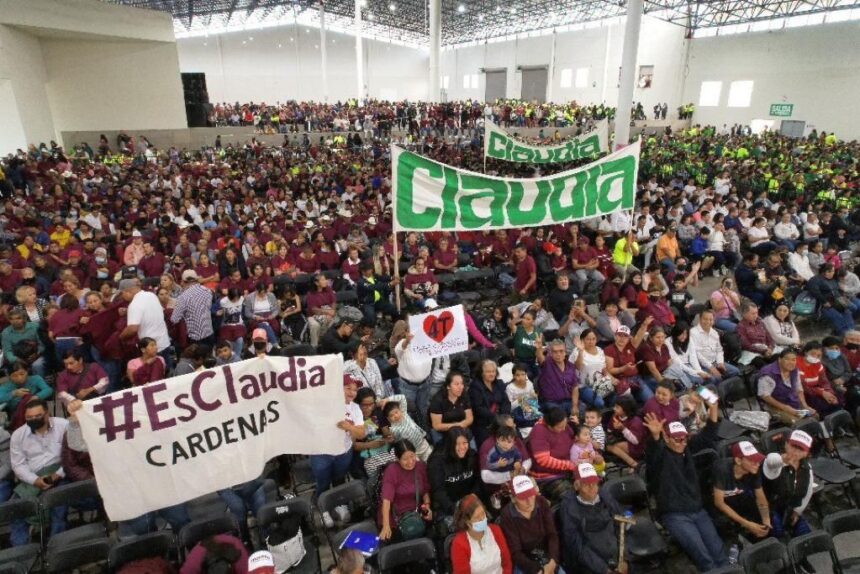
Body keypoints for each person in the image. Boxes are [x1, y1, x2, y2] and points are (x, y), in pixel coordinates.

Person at [642, 415, 727, 572]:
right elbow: (653, 454)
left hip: (698, 510)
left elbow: (707, 435)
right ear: (666, 438)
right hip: (675, 514)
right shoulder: (660, 457)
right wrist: (655, 437)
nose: (681, 443)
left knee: (719, 553)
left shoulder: (687, 451)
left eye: (684, 439)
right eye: (676, 439)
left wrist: (713, 409)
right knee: (704, 558)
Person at [8, 399, 69, 545]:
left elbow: (72, 457)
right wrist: (35, 480)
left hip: (60, 474)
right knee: (15, 509)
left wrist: (57, 475)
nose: (33, 419)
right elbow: (18, 465)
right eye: (29, 417)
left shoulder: (63, 425)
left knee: (58, 504)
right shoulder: (18, 435)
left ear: (47, 414)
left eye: (37, 416)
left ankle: (56, 547)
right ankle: (22, 553)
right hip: (33, 478)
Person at [559, 462, 624, 574]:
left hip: (615, 556)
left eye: (594, 483)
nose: (592, 488)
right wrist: (604, 570)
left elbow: (620, 524)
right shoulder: (569, 508)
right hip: (589, 564)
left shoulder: (604, 495)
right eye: (586, 484)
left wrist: (624, 559)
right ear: (577, 486)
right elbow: (577, 547)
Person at [310, 375, 365, 496]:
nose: (352, 392)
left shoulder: (355, 408)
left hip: (344, 453)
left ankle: (339, 504)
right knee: (323, 484)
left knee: (339, 481)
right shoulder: (323, 403)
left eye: (355, 390)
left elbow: (361, 433)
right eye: (348, 388)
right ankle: (323, 509)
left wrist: (349, 427)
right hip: (322, 453)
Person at [499, 475, 563, 574]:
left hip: (547, 555)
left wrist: (553, 561)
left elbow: (552, 534)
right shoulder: (507, 515)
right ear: (514, 499)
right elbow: (515, 552)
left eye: (531, 495)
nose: (529, 501)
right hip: (525, 562)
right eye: (523, 498)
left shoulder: (541, 502)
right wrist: (538, 570)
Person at [712, 441, 771, 542]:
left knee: (766, 518)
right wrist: (747, 524)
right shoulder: (722, 469)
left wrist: (766, 520)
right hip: (718, 503)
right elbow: (719, 503)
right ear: (738, 460)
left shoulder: (754, 469)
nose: (757, 463)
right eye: (752, 460)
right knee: (723, 525)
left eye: (757, 460)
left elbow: (760, 496)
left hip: (739, 496)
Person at [762, 430, 814, 539]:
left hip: (790, 506)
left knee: (806, 534)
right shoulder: (776, 461)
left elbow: (808, 491)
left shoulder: (806, 468)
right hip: (770, 507)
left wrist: (797, 512)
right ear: (786, 444)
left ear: (806, 453)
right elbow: (770, 461)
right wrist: (782, 460)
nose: (795, 451)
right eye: (793, 446)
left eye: (800, 449)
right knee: (778, 532)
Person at [378, 439, 432, 541]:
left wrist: (427, 506)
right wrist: (386, 525)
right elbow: (386, 500)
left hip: (417, 514)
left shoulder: (421, 466)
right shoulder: (391, 471)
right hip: (394, 517)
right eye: (405, 459)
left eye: (412, 456)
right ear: (397, 459)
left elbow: (425, 490)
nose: (410, 462)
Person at [428, 427, 479, 527]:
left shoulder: (472, 455)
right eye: (457, 443)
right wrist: (456, 510)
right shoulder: (437, 461)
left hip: (468, 503)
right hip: (447, 507)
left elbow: (477, 480)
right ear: (450, 444)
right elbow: (438, 491)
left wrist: (473, 497)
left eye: (465, 443)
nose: (462, 447)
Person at [450, 493, 513, 574]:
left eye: (483, 514)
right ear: (467, 522)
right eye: (477, 517)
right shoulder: (459, 544)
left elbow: (507, 563)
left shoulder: (495, 530)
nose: (482, 519)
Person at [119, 278, 172, 369]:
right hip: (164, 342)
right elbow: (148, 311)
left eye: (122, 294)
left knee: (156, 379)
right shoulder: (151, 295)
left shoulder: (134, 304)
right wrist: (128, 311)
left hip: (151, 350)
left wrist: (120, 337)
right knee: (170, 375)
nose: (122, 297)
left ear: (127, 292)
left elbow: (133, 329)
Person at [757, 348, 817, 425]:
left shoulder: (795, 370)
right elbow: (765, 396)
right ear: (780, 360)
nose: (791, 362)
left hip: (791, 402)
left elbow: (799, 390)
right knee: (798, 423)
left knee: (814, 416)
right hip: (773, 406)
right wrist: (786, 408)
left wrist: (805, 406)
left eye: (793, 360)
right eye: (787, 359)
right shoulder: (768, 374)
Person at [527, 407, 575, 500]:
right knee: (569, 497)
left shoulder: (563, 425)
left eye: (565, 425)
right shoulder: (539, 431)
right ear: (549, 426)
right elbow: (543, 460)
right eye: (560, 427)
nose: (564, 428)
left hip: (567, 469)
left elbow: (573, 439)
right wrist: (568, 465)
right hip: (547, 476)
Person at [796, 341, 844, 416]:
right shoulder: (797, 364)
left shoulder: (818, 364)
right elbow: (803, 387)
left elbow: (824, 381)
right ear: (805, 352)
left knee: (837, 399)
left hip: (817, 390)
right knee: (821, 404)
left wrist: (829, 393)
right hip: (804, 392)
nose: (815, 357)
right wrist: (822, 393)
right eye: (813, 354)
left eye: (818, 355)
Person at [469, 360, 511, 446]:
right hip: (484, 424)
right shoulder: (475, 386)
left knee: (512, 436)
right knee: (488, 445)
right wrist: (497, 418)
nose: (491, 374)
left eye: (493, 371)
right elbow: (478, 408)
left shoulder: (499, 384)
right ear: (482, 373)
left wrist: (504, 417)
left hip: (501, 419)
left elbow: (506, 402)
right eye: (488, 372)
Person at [536, 339, 579, 418]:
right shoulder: (547, 363)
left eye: (561, 351)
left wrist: (575, 405)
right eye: (555, 352)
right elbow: (540, 358)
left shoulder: (571, 366)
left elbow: (575, 387)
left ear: (565, 352)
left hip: (568, 401)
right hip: (551, 403)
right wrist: (539, 349)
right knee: (558, 415)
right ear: (551, 353)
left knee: (583, 409)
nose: (558, 354)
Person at [429, 372, 474, 444]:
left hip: (461, 430)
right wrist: (457, 426)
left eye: (462, 383)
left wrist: (460, 426)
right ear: (448, 386)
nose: (461, 387)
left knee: (472, 450)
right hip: (443, 433)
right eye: (456, 384)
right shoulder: (438, 400)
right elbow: (436, 425)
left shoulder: (464, 396)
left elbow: (470, 418)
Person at [1, 309, 46, 377]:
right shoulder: (6, 332)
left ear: (24, 319)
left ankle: (39, 383)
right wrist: (17, 359)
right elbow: (7, 351)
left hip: (38, 354)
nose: (15, 321)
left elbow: (42, 343)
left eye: (18, 318)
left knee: (37, 365)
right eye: (12, 319)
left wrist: (37, 354)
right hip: (18, 358)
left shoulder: (35, 326)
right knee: (17, 368)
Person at [243, 281, 280, 345]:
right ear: (256, 290)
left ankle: (271, 344)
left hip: (269, 316)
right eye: (261, 293)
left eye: (264, 292)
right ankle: (275, 343)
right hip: (256, 318)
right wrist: (255, 317)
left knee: (275, 325)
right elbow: (247, 313)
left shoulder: (271, 295)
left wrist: (273, 315)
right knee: (264, 325)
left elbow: (276, 310)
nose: (263, 295)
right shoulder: (250, 297)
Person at [306, 273, 337, 348]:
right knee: (315, 325)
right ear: (316, 283)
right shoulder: (310, 294)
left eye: (325, 279)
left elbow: (333, 302)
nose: (326, 281)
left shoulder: (328, 289)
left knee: (335, 321)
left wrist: (332, 311)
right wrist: (327, 313)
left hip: (328, 312)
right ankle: (314, 347)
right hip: (314, 316)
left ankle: (329, 344)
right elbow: (313, 310)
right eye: (323, 280)